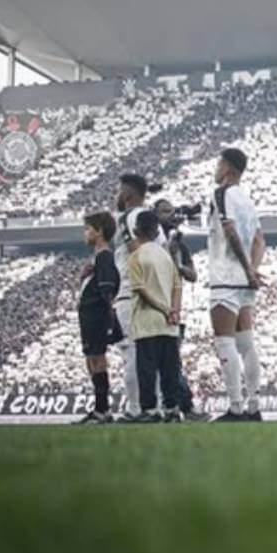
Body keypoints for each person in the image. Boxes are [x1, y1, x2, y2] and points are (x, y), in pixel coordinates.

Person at [207, 148, 266, 423]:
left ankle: (235, 407)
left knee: (224, 341)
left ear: (228, 168)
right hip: (244, 280)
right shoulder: (248, 200)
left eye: (219, 163)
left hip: (226, 275)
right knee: (247, 343)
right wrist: (253, 270)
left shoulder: (222, 193)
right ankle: (254, 405)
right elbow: (259, 240)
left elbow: (230, 231)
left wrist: (245, 269)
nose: (216, 168)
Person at [123, 210, 184, 423]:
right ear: (157, 230)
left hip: (147, 321)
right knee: (170, 370)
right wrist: (174, 311)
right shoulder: (165, 256)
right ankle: (172, 409)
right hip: (168, 324)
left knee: (147, 371)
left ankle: (149, 410)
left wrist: (163, 309)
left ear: (136, 230)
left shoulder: (136, 256)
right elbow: (178, 286)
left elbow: (140, 290)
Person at [113, 173, 161, 417]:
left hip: (132, 291)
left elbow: (136, 251)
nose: (117, 195)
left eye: (119, 190)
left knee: (131, 352)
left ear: (128, 193)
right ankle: (157, 408)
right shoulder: (152, 221)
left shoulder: (128, 218)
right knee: (151, 355)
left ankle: (134, 409)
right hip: (153, 292)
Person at [154, 198, 205, 422]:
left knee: (171, 363)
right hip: (154, 305)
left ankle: (182, 405)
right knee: (161, 362)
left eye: (172, 211)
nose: (170, 216)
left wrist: (178, 264)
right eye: (164, 211)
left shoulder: (178, 244)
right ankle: (173, 405)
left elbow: (193, 275)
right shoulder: (150, 241)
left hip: (174, 308)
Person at [74, 211, 121, 425]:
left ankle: (103, 409)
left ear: (99, 231)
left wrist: (108, 316)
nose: (85, 233)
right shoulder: (98, 258)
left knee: (97, 358)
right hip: (89, 315)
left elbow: (108, 288)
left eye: (88, 228)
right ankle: (99, 408)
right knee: (91, 358)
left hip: (96, 315)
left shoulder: (104, 256)